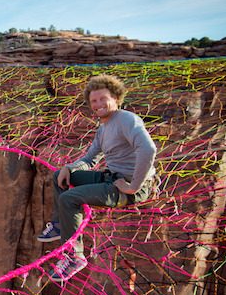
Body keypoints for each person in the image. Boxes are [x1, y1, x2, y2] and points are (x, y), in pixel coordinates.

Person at [38, 74, 157, 281]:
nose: (98, 104)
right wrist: (69, 167)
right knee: (60, 175)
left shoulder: (126, 119)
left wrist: (134, 186)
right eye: (94, 101)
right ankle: (60, 225)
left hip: (127, 188)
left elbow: (148, 149)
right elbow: (91, 159)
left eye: (103, 99)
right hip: (111, 179)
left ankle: (75, 257)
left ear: (116, 98)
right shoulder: (104, 129)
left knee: (69, 198)